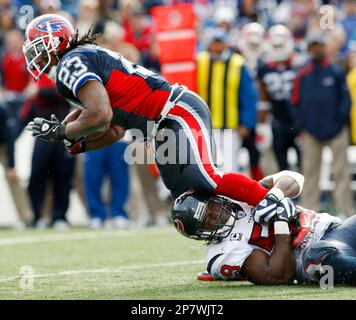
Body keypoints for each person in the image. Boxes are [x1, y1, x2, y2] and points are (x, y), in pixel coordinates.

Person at [24, 14, 271, 210]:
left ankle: (275, 205)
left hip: (176, 111)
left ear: (54, 41)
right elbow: (115, 130)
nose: (34, 55)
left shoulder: (71, 63)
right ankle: (235, 244)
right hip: (159, 127)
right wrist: (79, 142)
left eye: (36, 47)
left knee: (204, 177)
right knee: (186, 203)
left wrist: (62, 131)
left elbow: (100, 115)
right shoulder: (79, 62)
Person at [171, 171, 356, 286]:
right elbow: (280, 275)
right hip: (314, 258)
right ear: (199, 234)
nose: (216, 215)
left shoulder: (237, 196)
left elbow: (294, 178)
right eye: (206, 221)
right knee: (316, 255)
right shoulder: (220, 254)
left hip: (335, 229)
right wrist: (281, 222)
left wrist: (275, 195)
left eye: (212, 207)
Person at [291, 30, 354, 217]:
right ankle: (309, 214)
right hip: (311, 133)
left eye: (319, 46)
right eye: (313, 46)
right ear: (309, 49)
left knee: (341, 173)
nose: (316, 50)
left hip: (336, 132)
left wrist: (339, 122)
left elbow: (346, 101)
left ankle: (346, 212)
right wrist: (303, 125)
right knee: (310, 175)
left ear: (324, 48)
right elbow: (294, 102)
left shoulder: (335, 72)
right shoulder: (302, 75)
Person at [257, 24, 301, 171]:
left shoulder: (298, 65)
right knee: (282, 166)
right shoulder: (264, 69)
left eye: (281, 45)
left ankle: (304, 194)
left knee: (304, 164)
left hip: (298, 121)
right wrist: (262, 125)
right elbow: (264, 99)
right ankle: (286, 194)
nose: (278, 49)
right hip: (278, 122)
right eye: (275, 45)